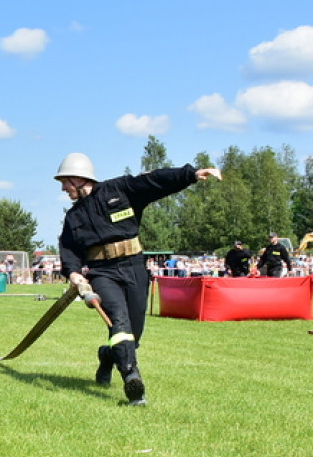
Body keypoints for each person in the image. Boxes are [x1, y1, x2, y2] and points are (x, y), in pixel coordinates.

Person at [55, 152, 222, 406]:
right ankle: (133, 381)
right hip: (102, 273)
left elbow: (155, 181)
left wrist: (191, 175)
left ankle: (107, 356)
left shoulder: (119, 190)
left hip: (134, 267)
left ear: (80, 178)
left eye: (66, 182)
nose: (64, 188)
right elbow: (69, 252)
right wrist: (75, 274)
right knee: (119, 323)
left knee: (134, 334)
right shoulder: (73, 217)